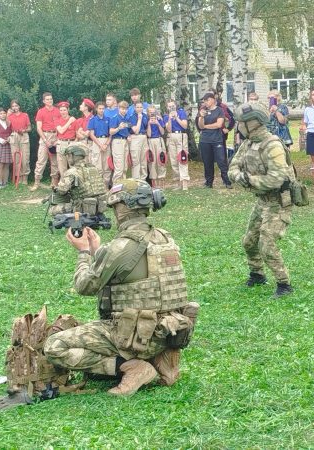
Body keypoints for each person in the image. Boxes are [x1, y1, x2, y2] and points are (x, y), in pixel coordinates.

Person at [44, 178, 199, 395]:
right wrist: (98, 250)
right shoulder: (164, 238)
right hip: (168, 333)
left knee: (55, 346)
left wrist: (83, 253)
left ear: (123, 207)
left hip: (133, 337)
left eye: (115, 206)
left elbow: (84, 286)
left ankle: (132, 367)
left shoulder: (120, 246)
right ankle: (161, 361)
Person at [228, 102, 295, 297]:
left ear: (253, 123)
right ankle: (257, 275)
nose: (238, 126)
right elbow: (233, 168)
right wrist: (242, 177)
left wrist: (249, 180)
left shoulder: (272, 145)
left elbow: (277, 178)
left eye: (242, 123)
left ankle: (284, 284)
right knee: (249, 241)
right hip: (262, 200)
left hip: (279, 201)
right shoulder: (248, 143)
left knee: (267, 244)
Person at [50, 144, 107, 217]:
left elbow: (62, 191)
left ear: (71, 156)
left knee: (53, 210)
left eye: (68, 156)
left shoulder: (72, 172)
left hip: (81, 208)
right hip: (98, 207)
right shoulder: (94, 169)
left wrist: (57, 188)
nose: (67, 158)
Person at [198, 92, 231, 188]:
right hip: (205, 140)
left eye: (207, 100)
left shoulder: (219, 110)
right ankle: (209, 182)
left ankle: (227, 181)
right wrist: (201, 117)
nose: (206, 103)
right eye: (204, 101)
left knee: (221, 161)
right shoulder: (203, 110)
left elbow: (219, 124)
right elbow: (200, 126)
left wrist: (205, 126)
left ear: (213, 99)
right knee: (207, 162)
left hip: (217, 139)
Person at [31, 92, 60, 191]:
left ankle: (54, 183)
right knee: (41, 160)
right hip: (45, 135)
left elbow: (60, 125)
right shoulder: (41, 112)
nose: (49, 101)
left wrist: (57, 139)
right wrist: (45, 140)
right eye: (47, 99)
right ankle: (37, 182)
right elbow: (38, 128)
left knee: (55, 161)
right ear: (44, 101)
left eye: (51, 99)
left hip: (55, 135)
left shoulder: (57, 111)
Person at [163, 99, 190, 191]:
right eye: (169, 106)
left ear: (176, 105)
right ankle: (178, 183)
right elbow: (169, 129)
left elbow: (185, 126)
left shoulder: (181, 112)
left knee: (182, 158)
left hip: (181, 135)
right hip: (171, 136)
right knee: (174, 160)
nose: (171, 107)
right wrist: (170, 118)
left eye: (173, 106)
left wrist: (176, 117)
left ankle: (185, 183)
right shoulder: (166, 116)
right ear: (167, 107)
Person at [7, 100, 32, 185]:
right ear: (11, 107)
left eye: (16, 106)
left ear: (19, 106)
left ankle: (25, 177)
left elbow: (30, 128)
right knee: (16, 158)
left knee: (25, 157)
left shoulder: (25, 115)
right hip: (14, 135)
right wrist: (7, 115)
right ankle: (19, 177)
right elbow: (7, 127)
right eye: (13, 106)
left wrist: (24, 130)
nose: (15, 108)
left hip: (23, 135)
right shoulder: (10, 116)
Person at [88, 101, 112, 188]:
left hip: (106, 142)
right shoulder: (93, 120)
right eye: (100, 108)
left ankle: (105, 187)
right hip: (97, 141)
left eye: (103, 109)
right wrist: (100, 145)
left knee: (106, 166)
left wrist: (106, 144)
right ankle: (98, 187)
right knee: (97, 165)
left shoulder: (108, 119)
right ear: (96, 109)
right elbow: (91, 134)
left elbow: (111, 134)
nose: (101, 110)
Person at [108, 101, 132, 183]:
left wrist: (128, 135)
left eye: (125, 109)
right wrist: (118, 128)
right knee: (119, 167)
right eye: (122, 109)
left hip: (125, 141)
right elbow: (111, 132)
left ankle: (123, 185)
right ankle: (116, 187)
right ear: (118, 108)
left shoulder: (126, 118)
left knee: (125, 166)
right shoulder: (115, 117)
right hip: (118, 141)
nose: (124, 111)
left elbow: (128, 130)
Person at [146, 105, 167, 189]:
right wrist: (149, 124)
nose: (152, 114)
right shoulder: (146, 120)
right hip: (150, 141)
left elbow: (162, 132)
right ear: (148, 113)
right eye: (150, 112)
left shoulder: (159, 119)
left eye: (153, 112)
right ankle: (154, 183)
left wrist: (158, 123)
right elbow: (149, 134)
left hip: (159, 140)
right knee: (152, 161)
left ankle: (162, 182)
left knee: (161, 160)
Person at [54, 101, 77, 178]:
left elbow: (77, 134)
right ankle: (64, 184)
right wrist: (69, 121)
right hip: (61, 143)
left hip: (71, 143)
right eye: (61, 110)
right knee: (62, 166)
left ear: (68, 110)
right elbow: (61, 131)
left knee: (73, 166)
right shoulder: (57, 120)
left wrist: (75, 144)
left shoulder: (74, 120)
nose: (63, 112)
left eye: (64, 110)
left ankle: (74, 185)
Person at [128, 102, 149, 181]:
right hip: (135, 138)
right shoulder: (131, 117)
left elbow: (147, 127)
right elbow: (135, 131)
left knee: (143, 161)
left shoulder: (145, 116)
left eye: (141, 107)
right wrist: (139, 119)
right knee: (136, 161)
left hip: (143, 137)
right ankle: (136, 181)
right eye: (137, 107)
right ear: (134, 108)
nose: (139, 109)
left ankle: (143, 180)